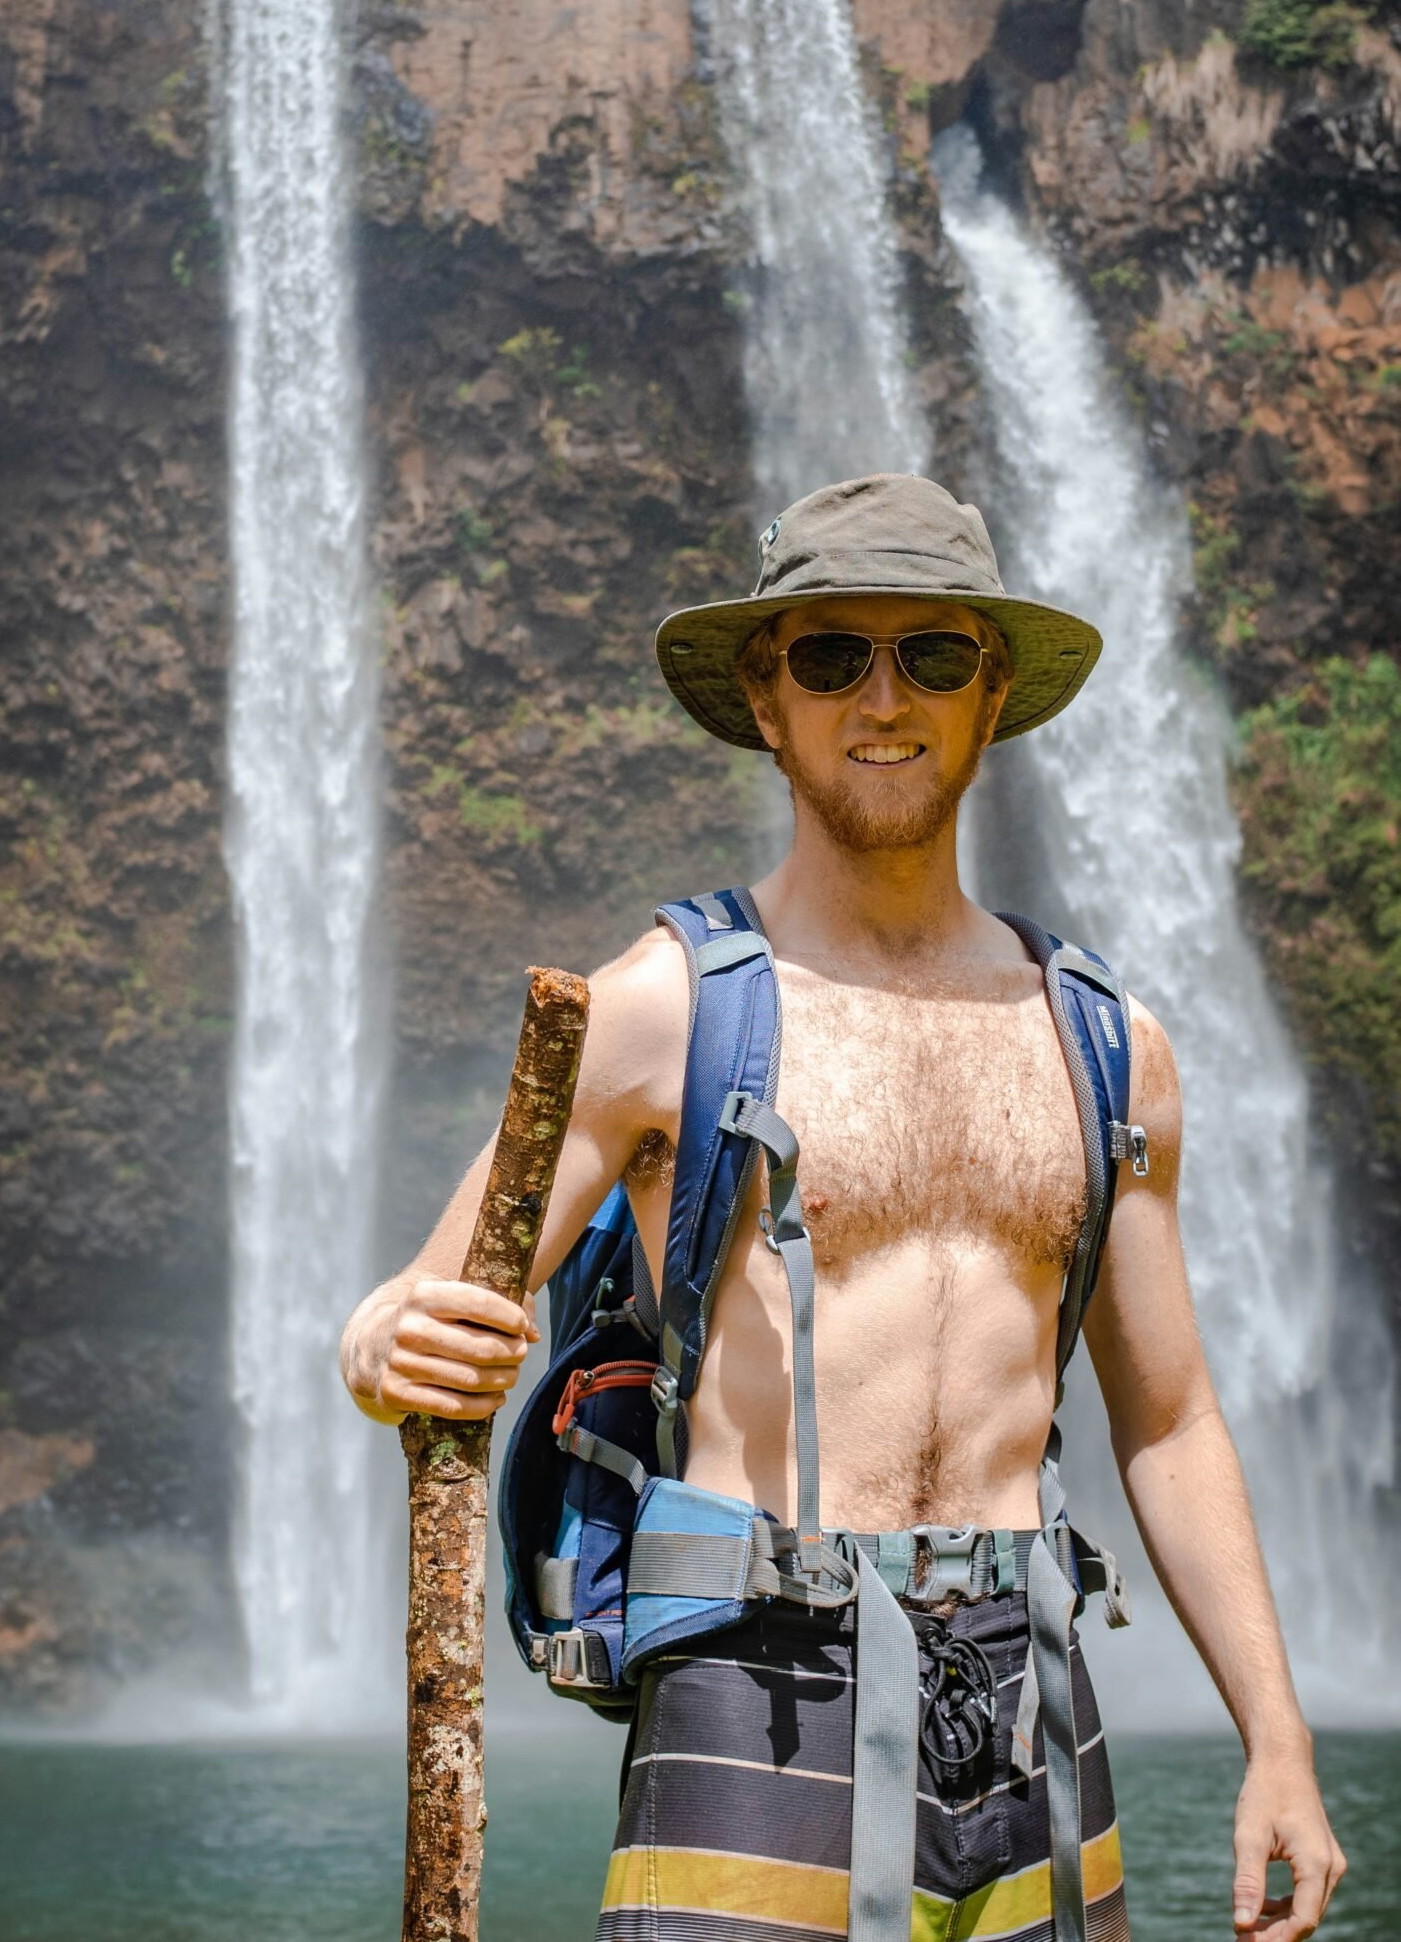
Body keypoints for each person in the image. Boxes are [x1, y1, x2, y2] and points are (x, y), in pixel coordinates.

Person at [341, 473, 1346, 1942]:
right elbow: (421, 1302)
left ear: (988, 692)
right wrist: (379, 1345)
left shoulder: (1108, 1044)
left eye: (931, 654)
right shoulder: (656, 1014)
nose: (884, 697)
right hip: (753, 1689)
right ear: (767, 697)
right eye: (831, 657)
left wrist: (1277, 1740)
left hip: (1031, 1695)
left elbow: (1169, 1416)